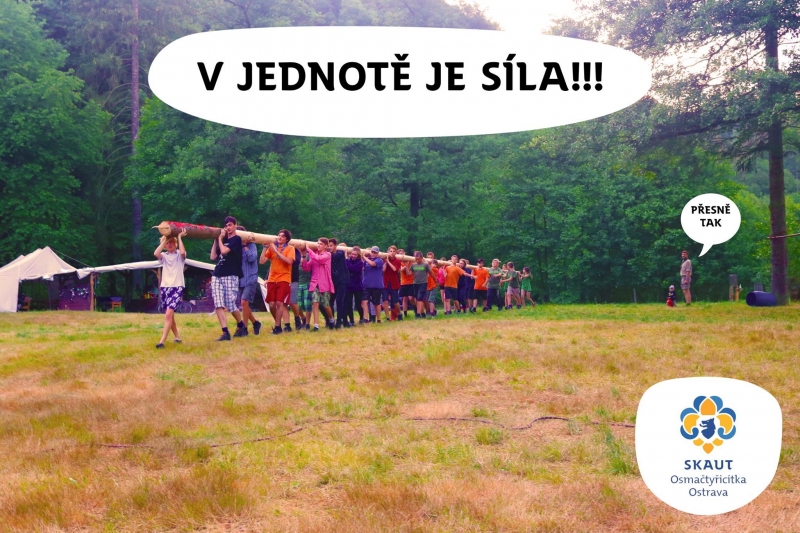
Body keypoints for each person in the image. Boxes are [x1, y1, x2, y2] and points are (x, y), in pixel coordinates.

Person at [210, 216, 245, 341]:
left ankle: (241, 325)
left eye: (230, 225)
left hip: (231, 274)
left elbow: (224, 251)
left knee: (230, 304)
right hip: (217, 274)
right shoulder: (222, 240)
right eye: (226, 226)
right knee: (218, 303)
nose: (228, 228)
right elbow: (213, 257)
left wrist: (220, 239)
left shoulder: (237, 239)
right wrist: (216, 240)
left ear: (235, 225)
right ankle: (225, 332)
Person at [154, 228, 186, 348]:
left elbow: (183, 253)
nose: (169, 245)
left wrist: (179, 237)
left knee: (168, 314)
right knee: (170, 315)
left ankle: (162, 341)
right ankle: (177, 337)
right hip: (165, 287)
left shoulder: (179, 255)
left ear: (175, 243)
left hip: (177, 286)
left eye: (171, 242)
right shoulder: (164, 256)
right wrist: (165, 239)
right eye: (167, 243)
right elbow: (156, 253)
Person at [260, 229, 295, 335]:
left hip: (284, 278)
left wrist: (276, 251)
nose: (280, 237)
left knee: (279, 303)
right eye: (279, 236)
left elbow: (289, 261)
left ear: (287, 239)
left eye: (282, 236)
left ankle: (277, 328)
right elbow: (262, 261)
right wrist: (265, 248)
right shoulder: (272, 248)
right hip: (272, 279)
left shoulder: (290, 248)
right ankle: (278, 324)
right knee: (271, 304)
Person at [302, 237, 335, 331]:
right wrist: (303, 256)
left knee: (326, 305)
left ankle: (331, 319)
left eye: (321, 244)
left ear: (325, 246)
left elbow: (319, 259)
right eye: (318, 243)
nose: (318, 245)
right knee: (315, 303)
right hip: (314, 283)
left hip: (324, 284)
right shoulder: (314, 255)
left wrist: (308, 249)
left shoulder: (327, 255)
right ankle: (316, 326)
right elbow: (306, 268)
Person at [236, 227, 261, 336]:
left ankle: (244, 329)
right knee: (244, 305)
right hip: (240, 279)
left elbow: (252, 258)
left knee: (244, 302)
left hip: (251, 277)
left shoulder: (251, 245)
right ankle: (256, 323)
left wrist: (245, 246)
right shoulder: (235, 247)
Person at [328, 238, 351, 328]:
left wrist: (325, 251)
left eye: (331, 246)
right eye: (328, 246)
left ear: (335, 246)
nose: (329, 247)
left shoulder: (340, 253)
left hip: (342, 280)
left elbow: (334, 256)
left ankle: (339, 321)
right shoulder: (329, 254)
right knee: (331, 301)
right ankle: (332, 321)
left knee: (339, 300)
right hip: (333, 280)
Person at [403, 251, 432, 318]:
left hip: (423, 283)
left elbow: (431, 273)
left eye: (418, 259)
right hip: (415, 284)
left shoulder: (425, 265)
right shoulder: (413, 265)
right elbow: (408, 274)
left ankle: (419, 314)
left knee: (420, 298)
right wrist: (406, 266)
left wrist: (435, 280)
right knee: (417, 299)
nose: (417, 260)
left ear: (421, 258)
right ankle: (423, 313)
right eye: (416, 259)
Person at [345, 246, 367, 326]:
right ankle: (351, 321)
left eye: (355, 255)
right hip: (349, 286)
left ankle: (361, 318)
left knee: (358, 305)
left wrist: (346, 259)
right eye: (352, 254)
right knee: (349, 304)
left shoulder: (360, 263)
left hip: (358, 286)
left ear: (358, 256)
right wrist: (347, 260)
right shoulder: (348, 261)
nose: (353, 256)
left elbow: (351, 268)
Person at [363, 246, 385, 322]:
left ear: (377, 253)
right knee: (364, 301)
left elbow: (372, 264)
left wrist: (364, 257)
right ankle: (365, 318)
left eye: (375, 253)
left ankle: (378, 319)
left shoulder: (379, 260)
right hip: (366, 284)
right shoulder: (366, 260)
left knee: (376, 303)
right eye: (372, 252)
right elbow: (362, 268)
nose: (373, 254)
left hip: (376, 285)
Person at [382, 245, 402, 321]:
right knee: (385, 300)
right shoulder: (384, 260)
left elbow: (394, 269)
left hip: (394, 283)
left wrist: (388, 261)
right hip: (385, 283)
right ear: (388, 252)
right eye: (390, 251)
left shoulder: (398, 261)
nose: (392, 253)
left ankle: (399, 314)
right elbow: (383, 270)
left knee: (395, 301)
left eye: (393, 251)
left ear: (396, 252)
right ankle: (387, 317)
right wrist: (386, 262)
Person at [398, 248, 416, 317]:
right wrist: (406, 265)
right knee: (404, 298)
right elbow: (401, 270)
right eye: (399, 254)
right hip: (404, 282)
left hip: (411, 282)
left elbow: (410, 272)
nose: (401, 255)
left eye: (402, 253)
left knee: (411, 298)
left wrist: (408, 264)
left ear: (404, 253)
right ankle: (405, 314)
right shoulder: (399, 262)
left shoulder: (411, 261)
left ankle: (416, 308)